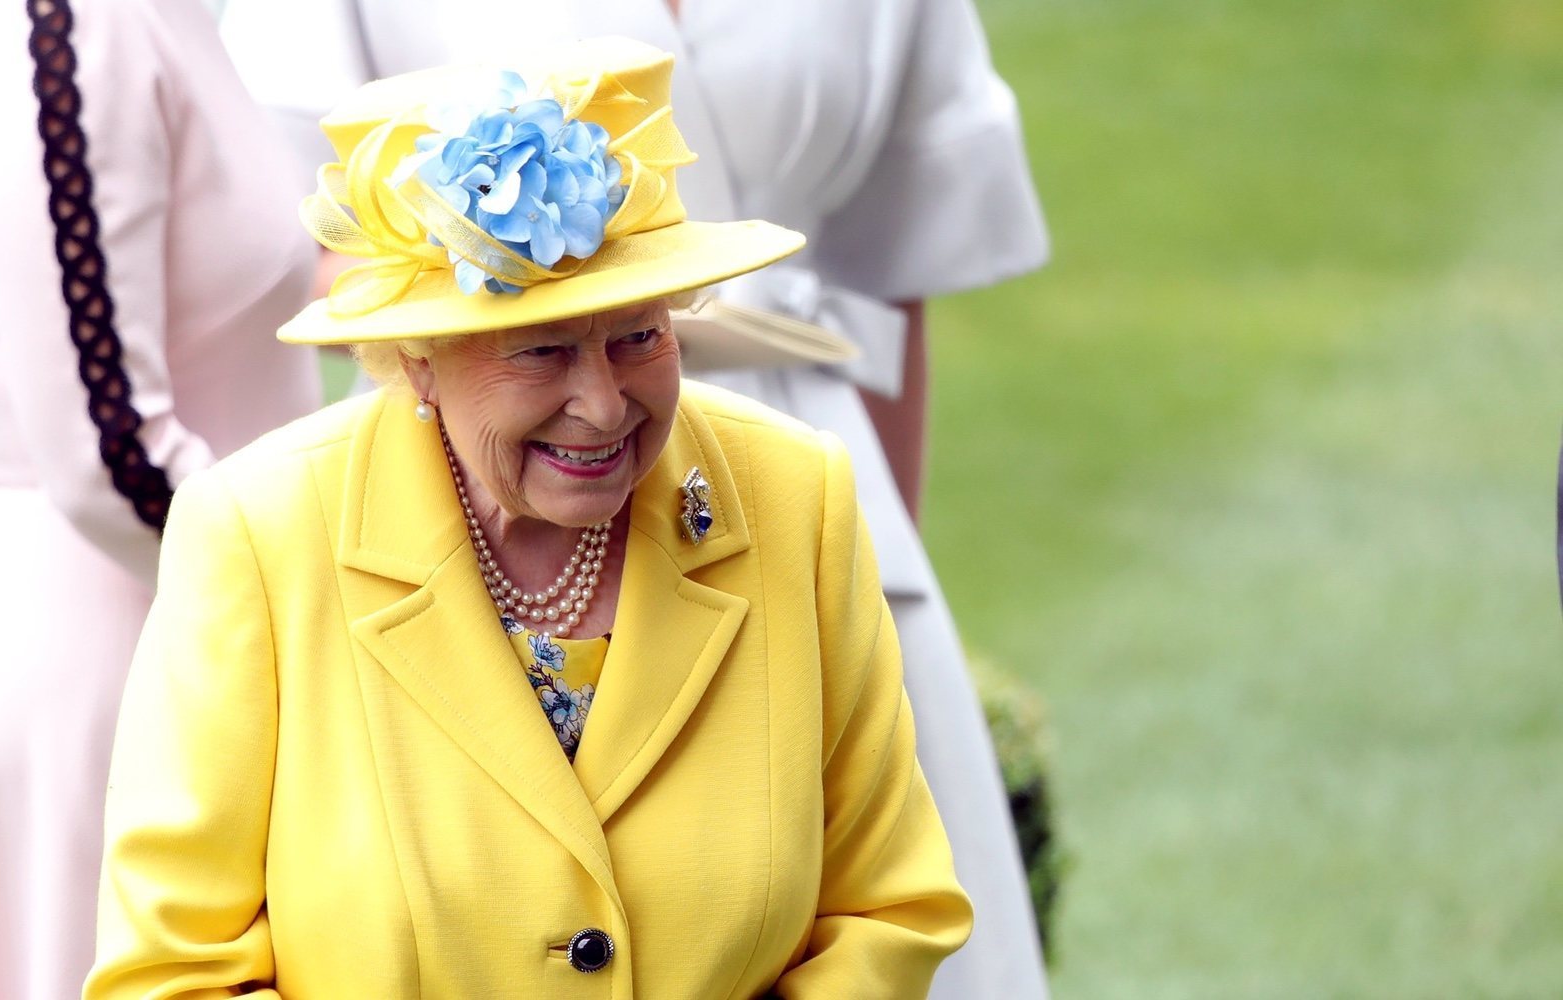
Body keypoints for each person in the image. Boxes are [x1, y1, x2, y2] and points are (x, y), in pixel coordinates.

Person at [85, 39, 971, 998]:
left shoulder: (796, 496)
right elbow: (171, 973)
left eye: (640, 335)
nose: (602, 403)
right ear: (416, 357)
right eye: (542, 353)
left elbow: (889, 911)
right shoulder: (258, 537)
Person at [0, 0, 320, 993]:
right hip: (126, 669)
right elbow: (107, 453)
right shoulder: (54, 29)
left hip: (196, 631)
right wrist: (318, 611)